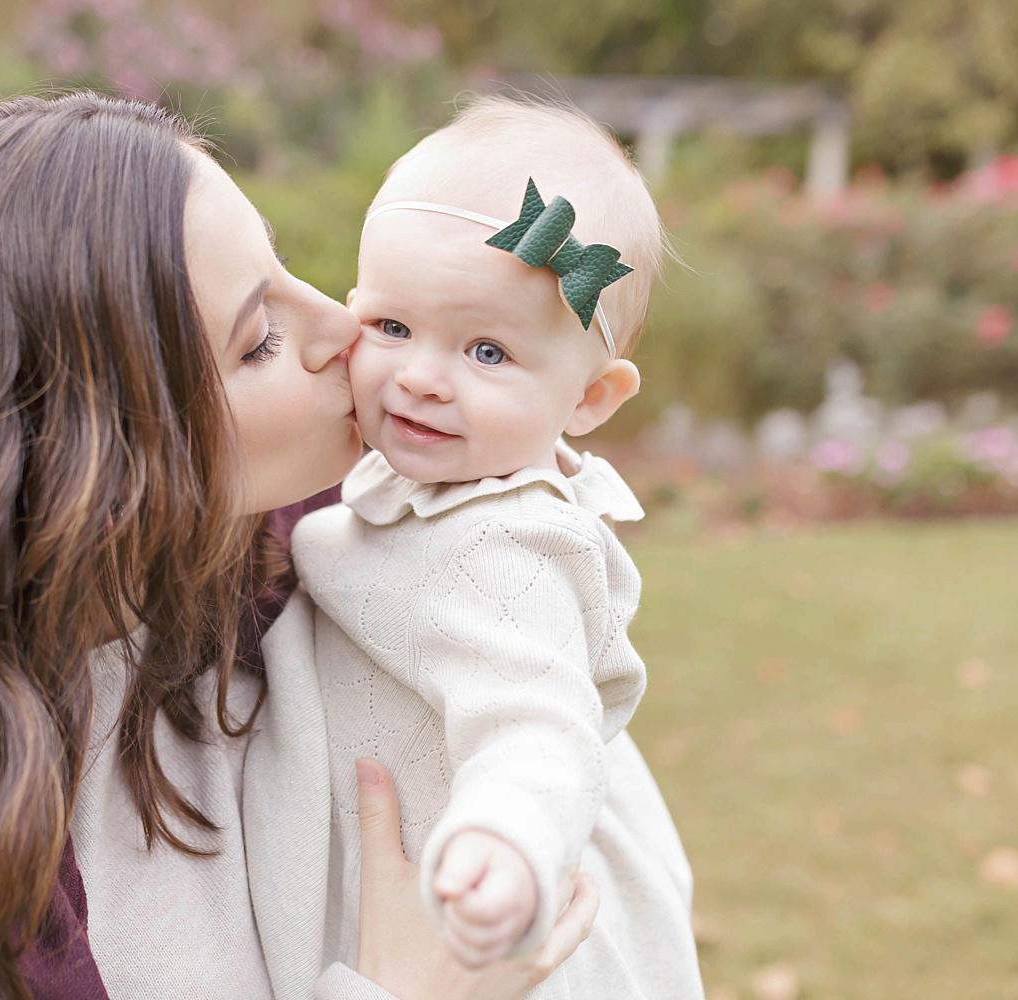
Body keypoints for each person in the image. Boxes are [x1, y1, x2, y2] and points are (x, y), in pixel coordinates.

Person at [0, 92, 598, 1000]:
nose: (344, 325)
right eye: (257, 340)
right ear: (91, 449)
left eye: (286, 265)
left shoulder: (333, 561)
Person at [280, 97, 704, 997]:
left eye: (486, 350)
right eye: (392, 328)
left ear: (590, 400)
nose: (423, 378)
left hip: (485, 925)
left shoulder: (504, 544)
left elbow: (537, 728)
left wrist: (506, 841)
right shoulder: (425, 489)